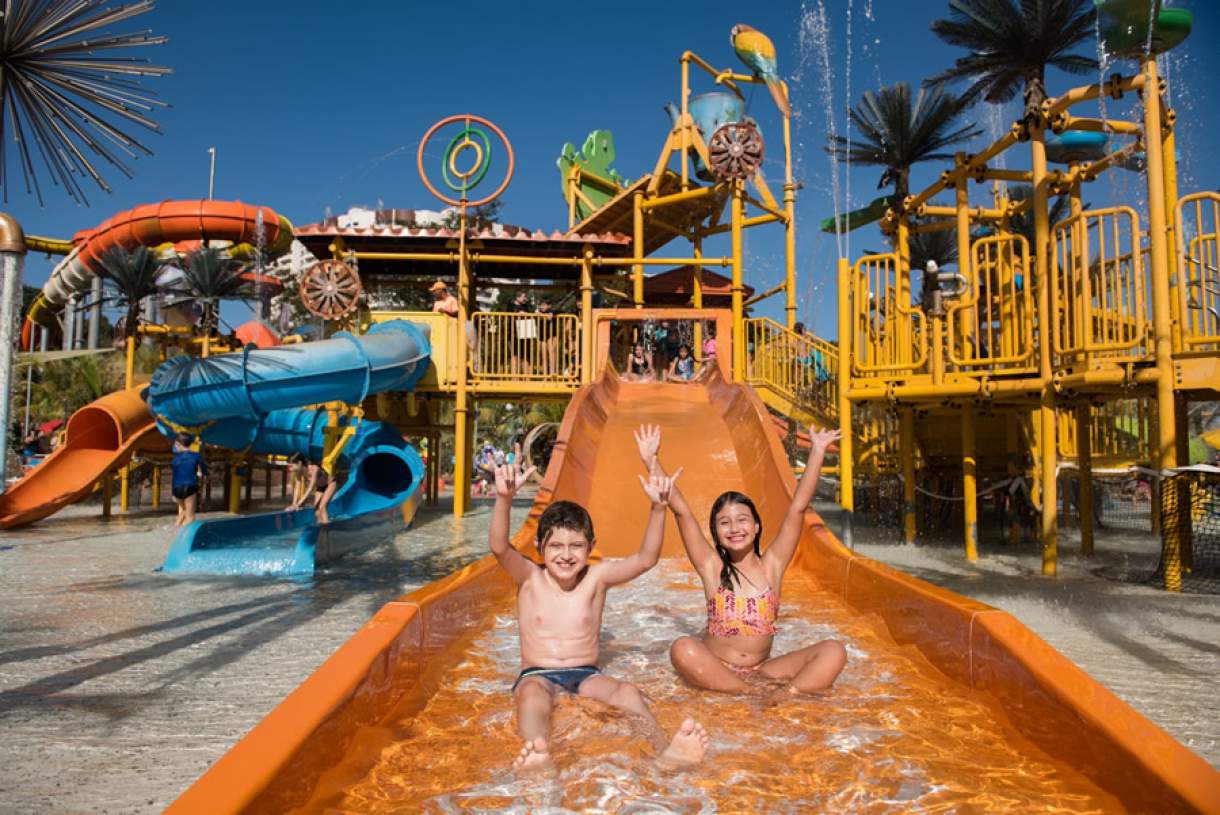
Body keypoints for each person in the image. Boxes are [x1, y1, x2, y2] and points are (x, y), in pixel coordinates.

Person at [488, 459, 709, 774]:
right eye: (556, 546)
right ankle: (537, 754)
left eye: (577, 545)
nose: (566, 554)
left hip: (586, 675)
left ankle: (665, 752)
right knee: (532, 696)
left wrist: (658, 509)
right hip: (538, 673)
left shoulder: (597, 577)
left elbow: (646, 559)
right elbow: (499, 547)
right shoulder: (529, 577)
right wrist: (504, 498)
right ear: (538, 546)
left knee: (627, 692)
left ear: (591, 546)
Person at [635, 424, 848, 702]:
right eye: (724, 522)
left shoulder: (772, 565)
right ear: (716, 533)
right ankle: (750, 693)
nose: (734, 528)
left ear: (757, 526)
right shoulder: (712, 567)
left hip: (763, 671)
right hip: (718, 669)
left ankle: (786, 693)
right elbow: (682, 512)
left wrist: (818, 450)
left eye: (742, 519)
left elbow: (797, 508)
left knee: (834, 650)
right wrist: (651, 460)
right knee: (682, 648)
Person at [170, 434, 206, 527]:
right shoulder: (196, 456)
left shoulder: (175, 459)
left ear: (178, 444)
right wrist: (203, 473)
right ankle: (187, 534)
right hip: (190, 486)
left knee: (184, 510)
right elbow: (204, 469)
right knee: (190, 516)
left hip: (177, 488)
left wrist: (173, 493)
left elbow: (174, 476)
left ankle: (175, 528)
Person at [509, 290, 536, 375]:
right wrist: (518, 312)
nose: (525, 299)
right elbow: (510, 313)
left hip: (525, 333)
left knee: (525, 355)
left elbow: (532, 313)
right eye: (524, 297)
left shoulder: (526, 306)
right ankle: (515, 377)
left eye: (525, 297)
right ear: (518, 297)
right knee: (515, 355)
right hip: (514, 334)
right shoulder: (510, 305)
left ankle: (526, 377)